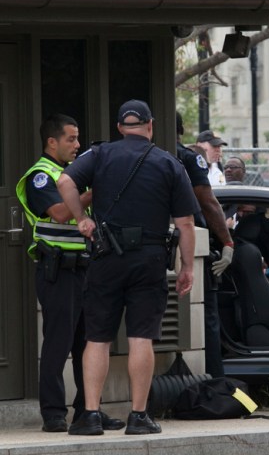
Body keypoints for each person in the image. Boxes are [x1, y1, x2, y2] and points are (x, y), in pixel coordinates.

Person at [58, 100, 198, 435]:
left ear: (120, 128)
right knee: (141, 338)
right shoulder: (169, 163)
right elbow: (186, 223)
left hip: (106, 256)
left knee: (97, 338)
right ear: (150, 125)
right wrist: (187, 267)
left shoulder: (99, 154)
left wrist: (81, 219)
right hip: (149, 259)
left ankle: (91, 415)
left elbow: (64, 182)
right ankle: (138, 416)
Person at [15, 115, 124, 433]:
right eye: (71, 139)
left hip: (87, 269)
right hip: (58, 271)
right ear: (52, 142)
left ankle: (89, 410)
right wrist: (95, 189)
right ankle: (53, 413)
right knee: (58, 343)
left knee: (89, 344)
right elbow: (61, 213)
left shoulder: (73, 174)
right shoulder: (41, 176)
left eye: (78, 139)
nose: (77, 145)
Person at [176, 114, 234, 378]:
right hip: (192, 246)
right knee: (207, 318)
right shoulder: (188, 158)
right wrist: (228, 242)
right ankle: (215, 382)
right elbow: (208, 202)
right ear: (181, 129)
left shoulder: (147, 157)